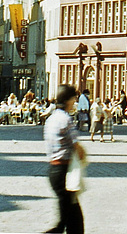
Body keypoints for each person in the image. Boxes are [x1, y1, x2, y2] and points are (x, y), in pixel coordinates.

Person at [44, 83, 86, 234]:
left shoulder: (51, 119)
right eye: (74, 98)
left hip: (53, 170)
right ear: (68, 100)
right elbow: (78, 148)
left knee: (69, 219)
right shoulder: (66, 120)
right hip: (64, 172)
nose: (75, 101)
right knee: (73, 223)